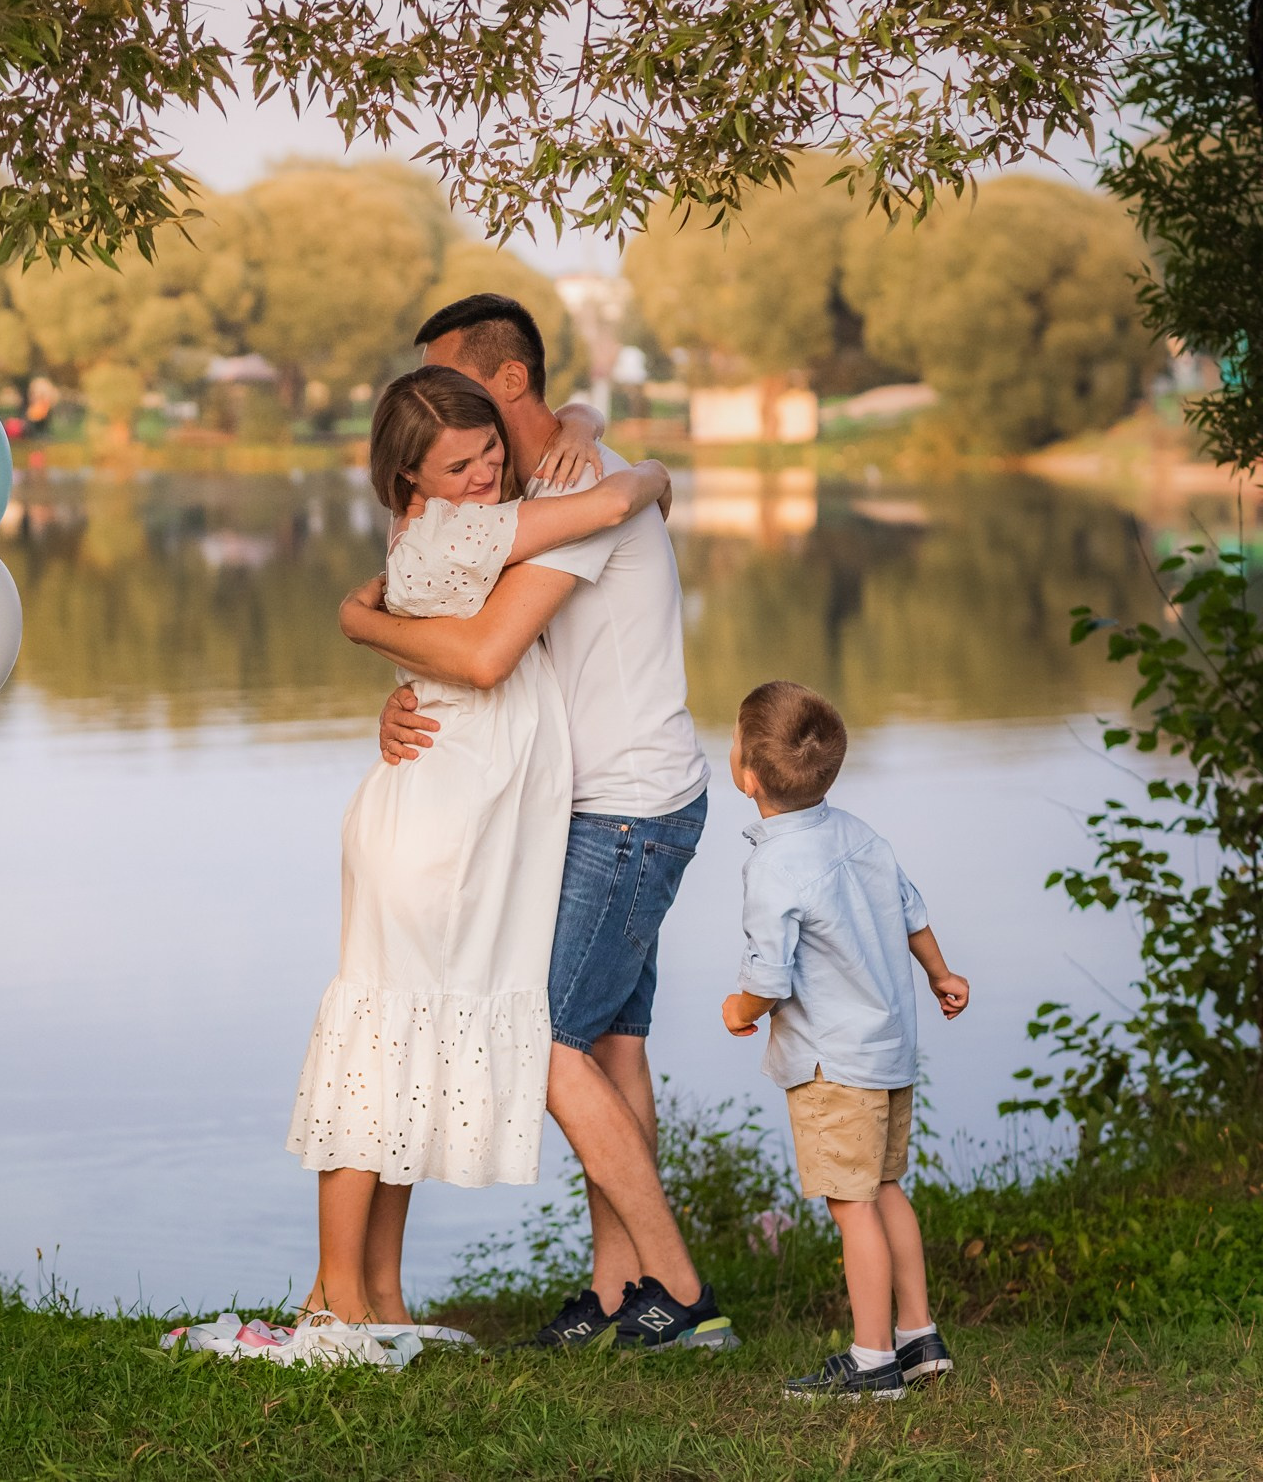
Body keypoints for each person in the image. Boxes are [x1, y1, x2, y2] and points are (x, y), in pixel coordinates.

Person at [344, 293, 735, 1351]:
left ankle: (680, 1292)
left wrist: (363, 625)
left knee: (547, 1041)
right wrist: (400, 690)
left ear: (506, 382)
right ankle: (619, 1292)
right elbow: (451, 626)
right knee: (611, 1046)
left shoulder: (573, 493)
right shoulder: (537, 488)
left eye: (456, 385)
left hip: (624, 811)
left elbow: (484, 653)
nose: (441, 406)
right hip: (610, 802)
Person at [290, 366, 673, 1328]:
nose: (483, 473)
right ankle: (337, 1293)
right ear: (408, 480)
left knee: (408, 1047)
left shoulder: (459, 528)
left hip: (458, 824)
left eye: (489, 451)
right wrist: (653, 471)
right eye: (457, 464)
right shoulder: (460, 534)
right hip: (432, 835)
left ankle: (383, 1293)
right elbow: (610, 503)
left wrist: (579, 416)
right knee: (379, 1047)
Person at [719, 680, 969, 1400]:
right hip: (889, 1049)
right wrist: (941, 974)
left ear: (748, 775)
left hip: (834, 1066)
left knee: (851, 1203)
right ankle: (919, 1337)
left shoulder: (774, 865)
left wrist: (740, 1008)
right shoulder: (859, 833)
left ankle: (871, 1360)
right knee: (886, 1187)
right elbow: (911, 910)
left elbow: (769, 976)